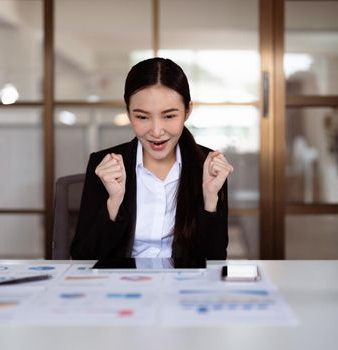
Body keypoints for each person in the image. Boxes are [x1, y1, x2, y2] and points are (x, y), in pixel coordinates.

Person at [70, 57, 233, 260]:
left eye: (169, 116)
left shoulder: (207, 166)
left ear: (187, 111)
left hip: (182, 288)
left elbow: (214, 259)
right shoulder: (104, 165)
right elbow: (82, 257)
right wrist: (113, 203)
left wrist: (210, 199)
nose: (156, 132)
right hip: (122, 286)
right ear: (129, 113)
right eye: (142, 117)